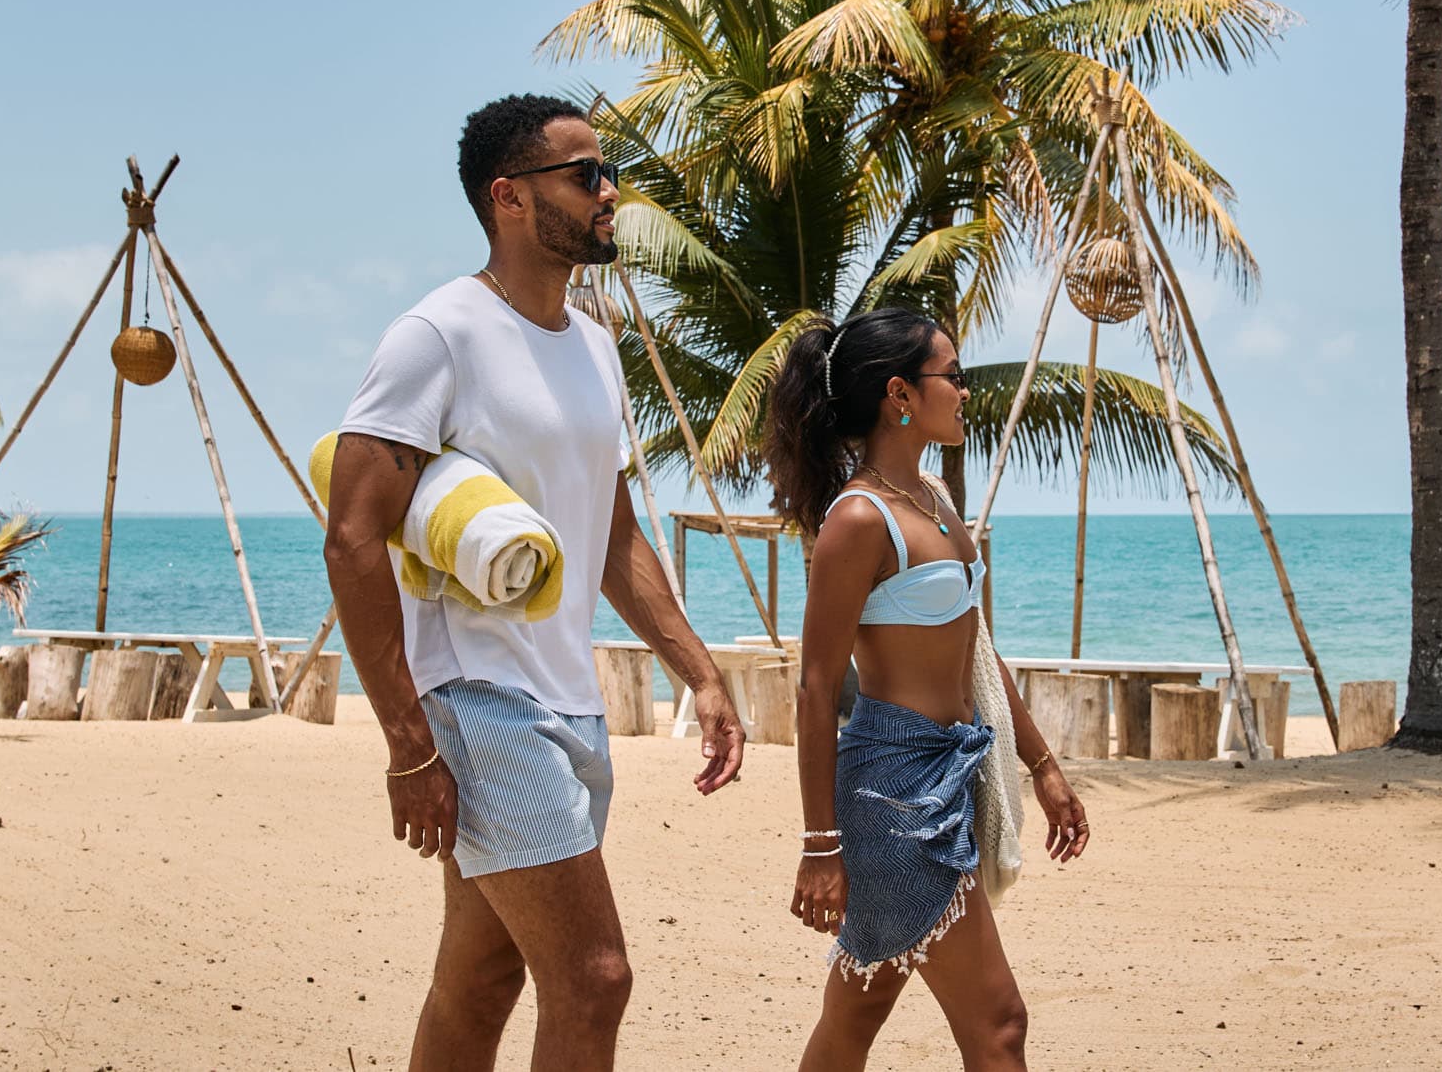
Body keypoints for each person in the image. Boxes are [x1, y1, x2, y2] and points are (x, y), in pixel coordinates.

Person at [322, 94, 746, 1072]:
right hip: (480, 699)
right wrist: (406, 744)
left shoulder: (593, 345)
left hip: (570, 702)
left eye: (609, 171)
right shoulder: (438, 335)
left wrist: (698, 672)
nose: (611, 192)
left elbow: (612, 529)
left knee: (482, 978)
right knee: (594, 978)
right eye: (586, 174)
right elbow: (352, 536)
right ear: (508, 196)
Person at [762, 307, 1091, 1072]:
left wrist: (1043, 764)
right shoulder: (859, 518)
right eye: (954, 376)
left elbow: (977, 648)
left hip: (950, 774)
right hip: (894, 796)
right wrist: (820, 844)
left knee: (855, 1015)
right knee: (1000, 1023)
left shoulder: (936, 497)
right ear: (900, 394)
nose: (966, 392)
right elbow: (817, 687)